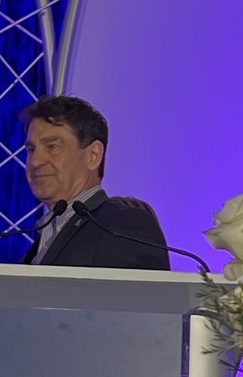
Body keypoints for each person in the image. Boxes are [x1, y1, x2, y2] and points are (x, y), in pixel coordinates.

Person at [21, 94, 169, 269]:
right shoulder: (44, 235)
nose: (35, 161)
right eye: (31, 149)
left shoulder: (122, 225)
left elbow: (139, 295)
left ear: (93, 155)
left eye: (52, 147)